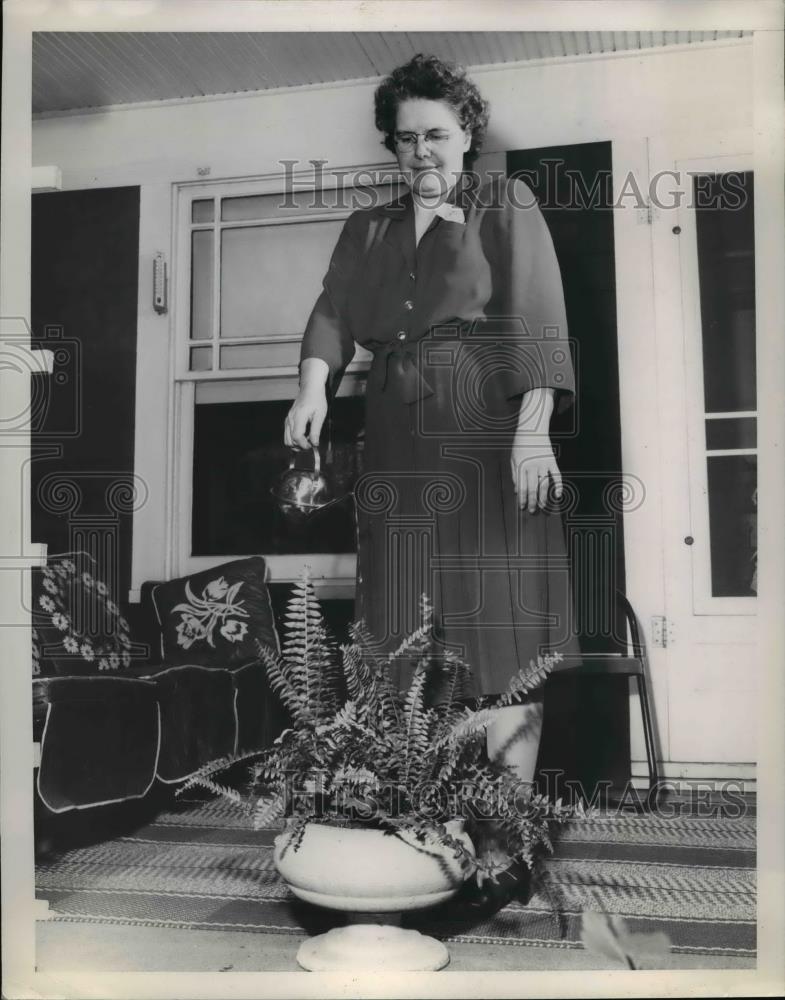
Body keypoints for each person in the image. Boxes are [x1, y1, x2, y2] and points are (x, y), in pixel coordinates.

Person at [285, 53, 581, 912]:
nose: (422, 152)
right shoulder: (367, 229)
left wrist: (533, 438)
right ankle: (433, 834)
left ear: (467, 135)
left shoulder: (503, 205)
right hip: (394, 442)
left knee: (501, 641)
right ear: (392, 145)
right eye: (406, 138)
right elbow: (334, 311)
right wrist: (313, 385)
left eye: (438, 135)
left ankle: (508, 845)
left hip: (484, 437)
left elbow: (538, 318)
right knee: (407, 639)